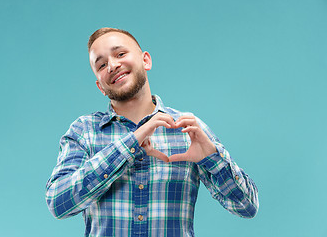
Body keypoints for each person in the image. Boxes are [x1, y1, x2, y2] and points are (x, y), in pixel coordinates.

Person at [45, 27, 259, 237]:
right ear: (100, 86)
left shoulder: (188, 129)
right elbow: (58, 203)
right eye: (101, 65)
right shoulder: (85, 131)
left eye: (120, 54)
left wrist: (212, 158)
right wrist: (132, 142)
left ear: (145, 60)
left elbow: (247, 207)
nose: (112, 65)